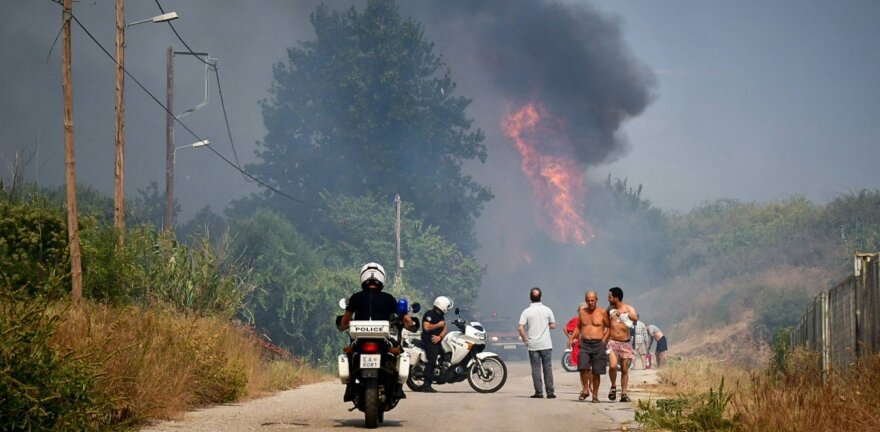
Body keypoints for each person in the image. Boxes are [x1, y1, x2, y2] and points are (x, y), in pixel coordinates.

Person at [339, 262, 416, 401]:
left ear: (362, 278)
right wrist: (411, 324)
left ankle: (349, 387)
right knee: (400, 353)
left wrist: (343, 324)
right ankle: (398, 386)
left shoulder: (355, 298)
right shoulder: (389, 298)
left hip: (359, 340)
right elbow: (406, 319)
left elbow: (345, 321)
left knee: (350, 354)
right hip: (382, 341)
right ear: (382, 278)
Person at [568, 291, 609, 403]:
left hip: (598, 344)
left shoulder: (602, 312)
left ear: (596, 299)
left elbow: (609, 327)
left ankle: (595, 395)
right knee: (582, 366)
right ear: (585, 300)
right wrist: (571, 338)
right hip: (585, 343)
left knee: (596, 371)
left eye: (592, 300)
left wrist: (604, 340)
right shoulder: (582, 312)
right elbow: (578, 328)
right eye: (588, 300)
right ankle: (585, 389)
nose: (590, 302)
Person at [518, 287, 557, 399]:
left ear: (530, 298)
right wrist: (546, 326)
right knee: (547, 368)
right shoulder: (547, 310)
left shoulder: (526, 312)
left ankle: (539, 392)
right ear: (541, 297)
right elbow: (553, 325)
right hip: (546, 344)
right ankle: (550, 392)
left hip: (533, 345)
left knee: (536, 369)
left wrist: (525, 340)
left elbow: (520, 328)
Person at [606, 287, 638, 403]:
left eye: (610, 297)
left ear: (616, 298)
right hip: (613, 342)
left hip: (625, 343)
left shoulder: (628, 308)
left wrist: (624, 314)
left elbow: (635, 318)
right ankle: (613, 386)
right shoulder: (609, 309)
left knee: (624, 369)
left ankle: (624, 393)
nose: (608, 299)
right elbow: (606, 323)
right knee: (613, 366)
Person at [420, 296, 452, 393]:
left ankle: (442, 375)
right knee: (433, 358)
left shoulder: (440, 316)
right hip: (429, 340)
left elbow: (445, 328)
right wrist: (439, 325)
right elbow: (426, 327)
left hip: (437, 340)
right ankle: (426, 384)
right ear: (442, 305)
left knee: (446, 355)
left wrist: (440, 337)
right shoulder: (429, 314)